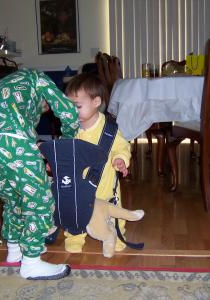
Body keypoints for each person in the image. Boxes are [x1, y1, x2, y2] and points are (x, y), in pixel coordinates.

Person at [0, 68, 79, 280]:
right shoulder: (37, 77)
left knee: (13, 199)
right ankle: (31, 262)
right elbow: (68, 110)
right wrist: (67, 144)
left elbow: (16, 124)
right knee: (39, 198)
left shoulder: (0, 87)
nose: (42, 111)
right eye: (44, 107)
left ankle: (14, 253)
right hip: (12, 137)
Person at [63, 72, 131, 253]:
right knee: (75, 211)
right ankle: (75, 236)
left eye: (77, 106)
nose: (71, 111)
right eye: (68, 106)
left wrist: (120, 159)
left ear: (96, 102)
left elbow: (122, 147)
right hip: (78, 184)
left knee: (112, 210)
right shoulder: (71, 129)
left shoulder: (108, 130)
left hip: (105, 184)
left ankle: (116, 233)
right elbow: (64, 151)